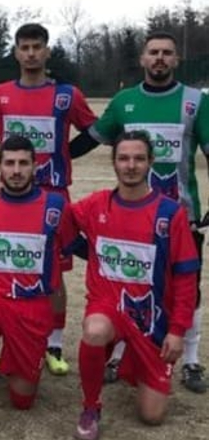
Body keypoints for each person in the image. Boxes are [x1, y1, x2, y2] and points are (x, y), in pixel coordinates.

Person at [76, 31, 209, 393]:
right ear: (143, 59)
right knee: (128, 282)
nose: (160, 58)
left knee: (189, 287)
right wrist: (51, 159)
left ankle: (191, 359)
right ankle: (121, 352)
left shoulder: (195, 101)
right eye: (154, 52)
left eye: (167, 52)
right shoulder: (124, 101)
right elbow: (92, 138)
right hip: (132, 216)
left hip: (182, 214)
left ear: (176, 59)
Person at [0, 23, 97, 374]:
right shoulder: (0, 95)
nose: (31, 53)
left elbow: (95, 132)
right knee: (13, 269)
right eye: (24, 47)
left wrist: (66, 153)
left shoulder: (67, 95)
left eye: (37, 47)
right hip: (11, 197)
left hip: (52, 196)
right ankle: (12, 342)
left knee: (55, 274)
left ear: (47, 51)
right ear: (16, 52)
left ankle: (53, 345)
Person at [70, 131, 198, 440]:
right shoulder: (95, 204)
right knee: (94, 330)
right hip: (109, 308)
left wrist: (177, 331)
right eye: (124, 158)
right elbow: (56, 220)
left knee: (151, 416)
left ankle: (135, 361)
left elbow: (186, 276)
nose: (131, 165)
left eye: (139, 158)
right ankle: (91, 407)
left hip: (152, 321)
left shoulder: (170, 213)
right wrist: (1, 195)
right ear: (113, 162)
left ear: (151, 161)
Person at [0, 135, 75, 439]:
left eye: (23, 163)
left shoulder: (56, 206)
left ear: (35, 166)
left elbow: (76, 243)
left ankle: (10, 357)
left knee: (22, 401)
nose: (16, 170)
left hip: (32, 306)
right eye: (9, 163)